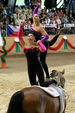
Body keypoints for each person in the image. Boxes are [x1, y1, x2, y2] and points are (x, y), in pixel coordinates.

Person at [31, 2, 65, 80]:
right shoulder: (33, 22)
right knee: (37, 59)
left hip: (42, 43)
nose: (34, 16)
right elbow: (35, 11)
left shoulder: (40, 27)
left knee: (42, 60)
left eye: (36, 16)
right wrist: (38, 6)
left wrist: (40, 41)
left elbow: (47, 36)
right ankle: (58, 34)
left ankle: (47, 75)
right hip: (38, 44)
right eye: (34, 16)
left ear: (38, 19)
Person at [18, 22, 57, 87]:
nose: (29, 36)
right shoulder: (24, 45)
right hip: (30, 67)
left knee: (43, 84)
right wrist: (20, 27)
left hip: (38, 66)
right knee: (33, 85)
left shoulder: (37, 45)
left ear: (34, 38)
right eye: (28, 35)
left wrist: (40, 43)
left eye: (31, 35)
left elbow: (44, 50)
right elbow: (19, 36)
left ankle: (54, 80)